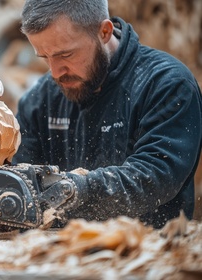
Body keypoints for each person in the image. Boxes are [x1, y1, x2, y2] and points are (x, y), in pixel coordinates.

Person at [13, 0, 202, 228]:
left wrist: (73, 190)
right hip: (53, 257)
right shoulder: (39, 100)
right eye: (44, 57)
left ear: (104, 31)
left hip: (145, 253)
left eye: (66, 55)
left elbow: (154, 177)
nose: (55, 72)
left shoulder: (166, 85)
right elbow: (19, 180)